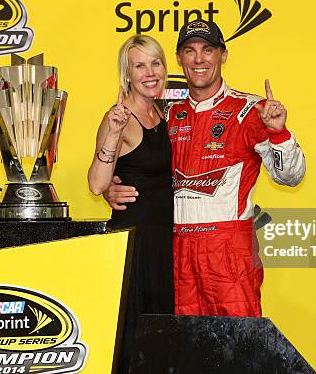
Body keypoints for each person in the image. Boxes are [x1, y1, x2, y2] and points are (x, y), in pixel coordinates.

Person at [104, 20, 305, 317]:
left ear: (223, 55)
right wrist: (113, 185)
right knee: (184, 352)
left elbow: (290, 176)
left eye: (208, 50)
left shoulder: (251, 110)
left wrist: (279, 133)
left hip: (228, 252)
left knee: (236, 349)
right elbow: (145, 166)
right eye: (190, 51)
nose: (199, 59)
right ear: (180, 59)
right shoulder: (168, 114)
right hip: (177, 251)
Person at [88, 35, 174, 371]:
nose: (150, 72)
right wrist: (112, 133)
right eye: (140, 65)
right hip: (136, 246)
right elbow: (97, 184)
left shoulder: (165, 115)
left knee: (163, 341)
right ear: (127, 74)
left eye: (156, 63)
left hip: (167, 242)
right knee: (133, 339)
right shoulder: (119, 118)